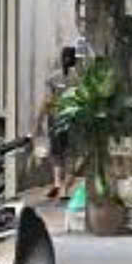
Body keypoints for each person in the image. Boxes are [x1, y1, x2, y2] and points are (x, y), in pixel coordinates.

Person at [40, 46, 80, 198]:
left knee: (58, 153)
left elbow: (48, 100)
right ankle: (62, 187)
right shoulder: (78, 79)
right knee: (68, 153)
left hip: (57, 119)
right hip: (70, 119)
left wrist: (41, 119)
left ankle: (58, 184)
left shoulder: (53, 78)